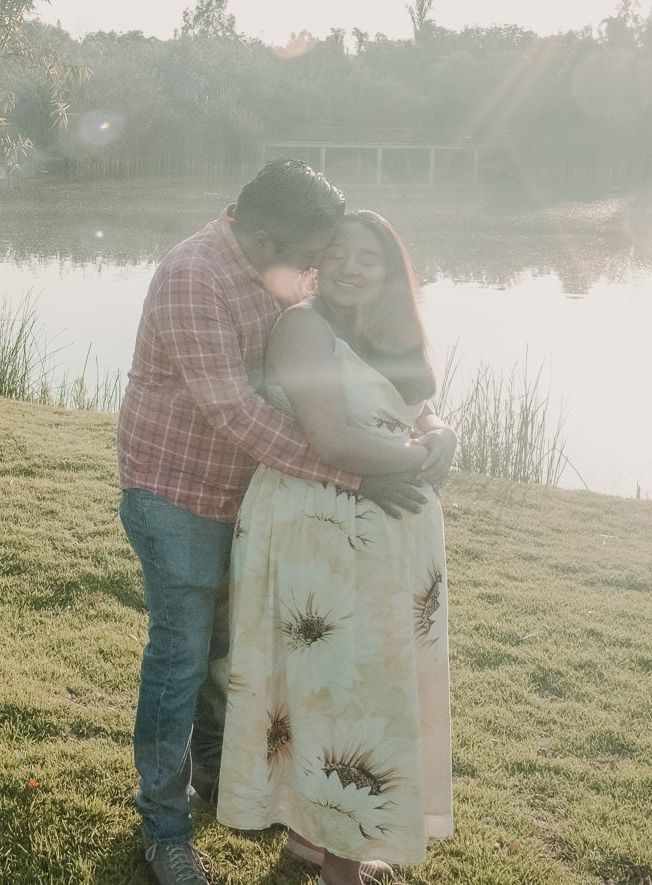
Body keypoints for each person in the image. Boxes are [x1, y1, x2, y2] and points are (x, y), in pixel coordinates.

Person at [117, 162, 433, 885]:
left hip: (253, 500)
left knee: (232, 656)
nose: (319, 268)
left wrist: (419, 425)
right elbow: (234, 411)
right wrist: (360, 470)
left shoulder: (277, 264)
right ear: (263, 236)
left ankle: (231, 789)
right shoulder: (193, 276)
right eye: (313, 255)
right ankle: (165, 830)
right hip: (176, 491)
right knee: (180, 660)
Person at [216, 210, 456, 883]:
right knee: (347, 696)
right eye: (340, 252)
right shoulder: (303, 327)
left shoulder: (383, 331)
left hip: (379, 549)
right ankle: (339, 869)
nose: (353, 266)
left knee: (342, 685)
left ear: (391, 271)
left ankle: (308, 838)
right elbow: (332, 438)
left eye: (370, 257)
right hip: (320, 538)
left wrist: (441, 430)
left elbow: (416, 405)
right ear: (320, 258)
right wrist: (415, 458)